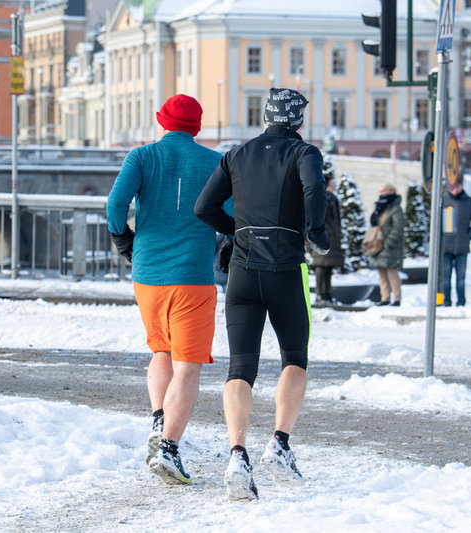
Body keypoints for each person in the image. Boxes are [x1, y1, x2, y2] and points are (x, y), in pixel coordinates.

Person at [194, 87, 330, 501]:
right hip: (286, 269)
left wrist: (236, 231)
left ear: (266, 117)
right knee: (295, 358)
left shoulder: (237, 154)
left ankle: (237, 454)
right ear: (298, 120)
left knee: (240, 368)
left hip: (242, 271)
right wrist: (316, 232)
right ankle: (280, 444)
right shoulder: (304, 153)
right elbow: (314, 190)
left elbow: (203, 207)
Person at [106, 94, 222, 486]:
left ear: (162, 122)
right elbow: (232, 214)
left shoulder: (141, 157)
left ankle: (159, 419)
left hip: (148, 273)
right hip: (192, 275)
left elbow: (115, 206)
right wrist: (227, 243)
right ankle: (169, 448)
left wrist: (123, 240)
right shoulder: (214, 162)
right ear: (197, 127)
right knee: (188, 364)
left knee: (161, 351)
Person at [441, 180, 471, 307]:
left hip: (462, 245)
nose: (454, 190)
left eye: (457, 187)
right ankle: (446, 301)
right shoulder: (443, 201)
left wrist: (469, 235)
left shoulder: (469, 202)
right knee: (445, 276)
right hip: (446, 245)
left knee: (461, 277)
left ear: (461, 186)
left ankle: (461, 302)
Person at [310, 164, 344, 304]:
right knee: (322, 267)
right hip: (324, 236)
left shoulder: (332, 198)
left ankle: (327, 293)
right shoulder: (323, 197)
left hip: (332, 238)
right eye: (332, 184)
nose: (334, 186)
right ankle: (321, 293)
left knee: (328, 267)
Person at [367, 183, 405, 306]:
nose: (382, 193)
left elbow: (398, 227)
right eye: (381, 191)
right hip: (378, 245)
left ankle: (397, 299)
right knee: (382, 273)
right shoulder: (380, 207)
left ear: (392, 191)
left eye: (384, 191)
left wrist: (389, 242)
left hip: (390, 246)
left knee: (392, 272)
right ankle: (385, 298)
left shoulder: (395, 208)